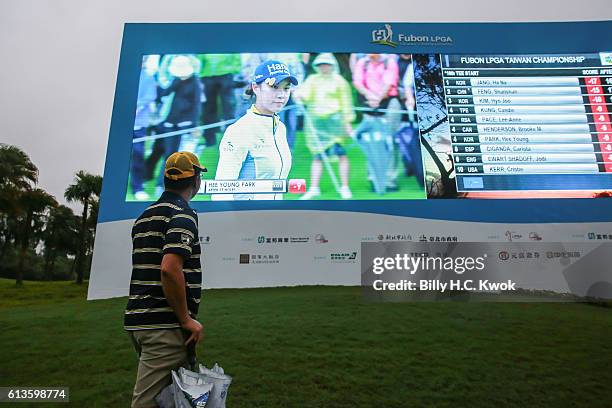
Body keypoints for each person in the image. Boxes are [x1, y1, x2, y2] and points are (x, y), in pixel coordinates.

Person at [124, 151, 206, 407]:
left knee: (171, 400)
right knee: (147, 402)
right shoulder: (183, 214)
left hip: (141, 320)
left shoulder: (144, 216)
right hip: (164, 326)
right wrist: (186, 319)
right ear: (195, 180)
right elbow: (170, 269)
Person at [212, 60, 298, 200]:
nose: (281, 94)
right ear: (256, 88)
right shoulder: (239, 130)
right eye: (274, 87)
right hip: (244, 218)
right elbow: (220, 192)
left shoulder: (280, 128)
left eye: (286, 88)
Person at [293, 53, 355, 200]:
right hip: (317, 125)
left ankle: (345, 187)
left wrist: (347, 122)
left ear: (332, 65)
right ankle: (314, 188)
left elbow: (346, 103)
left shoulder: (340, 81)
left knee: (341, 154)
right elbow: (305, 94)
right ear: (317, 66)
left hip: (335, 124)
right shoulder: (312, 80)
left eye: (326, 64)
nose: (324, 67)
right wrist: (299, 95)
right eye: (321, 65)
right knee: (318, 156)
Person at [148, 55, 203, 197]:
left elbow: (196, 105)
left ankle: (186, 188)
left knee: (185, 158)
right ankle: (162, 186)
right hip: (170, 123)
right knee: (169, 157)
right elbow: (165, 93)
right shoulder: (176, 80)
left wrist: (194, 126)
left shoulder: (195, 82)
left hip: (186, 125)